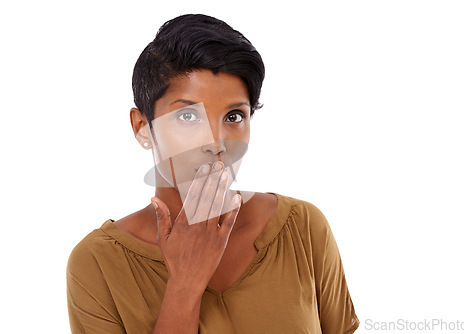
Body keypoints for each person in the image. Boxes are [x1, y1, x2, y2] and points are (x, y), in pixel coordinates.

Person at [66, 13, 359, 334]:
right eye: (188, 115)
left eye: (234, 115)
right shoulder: (98, 264)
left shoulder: (302, 228)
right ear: (142, 127)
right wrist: (185, 284)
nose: (215, 142)